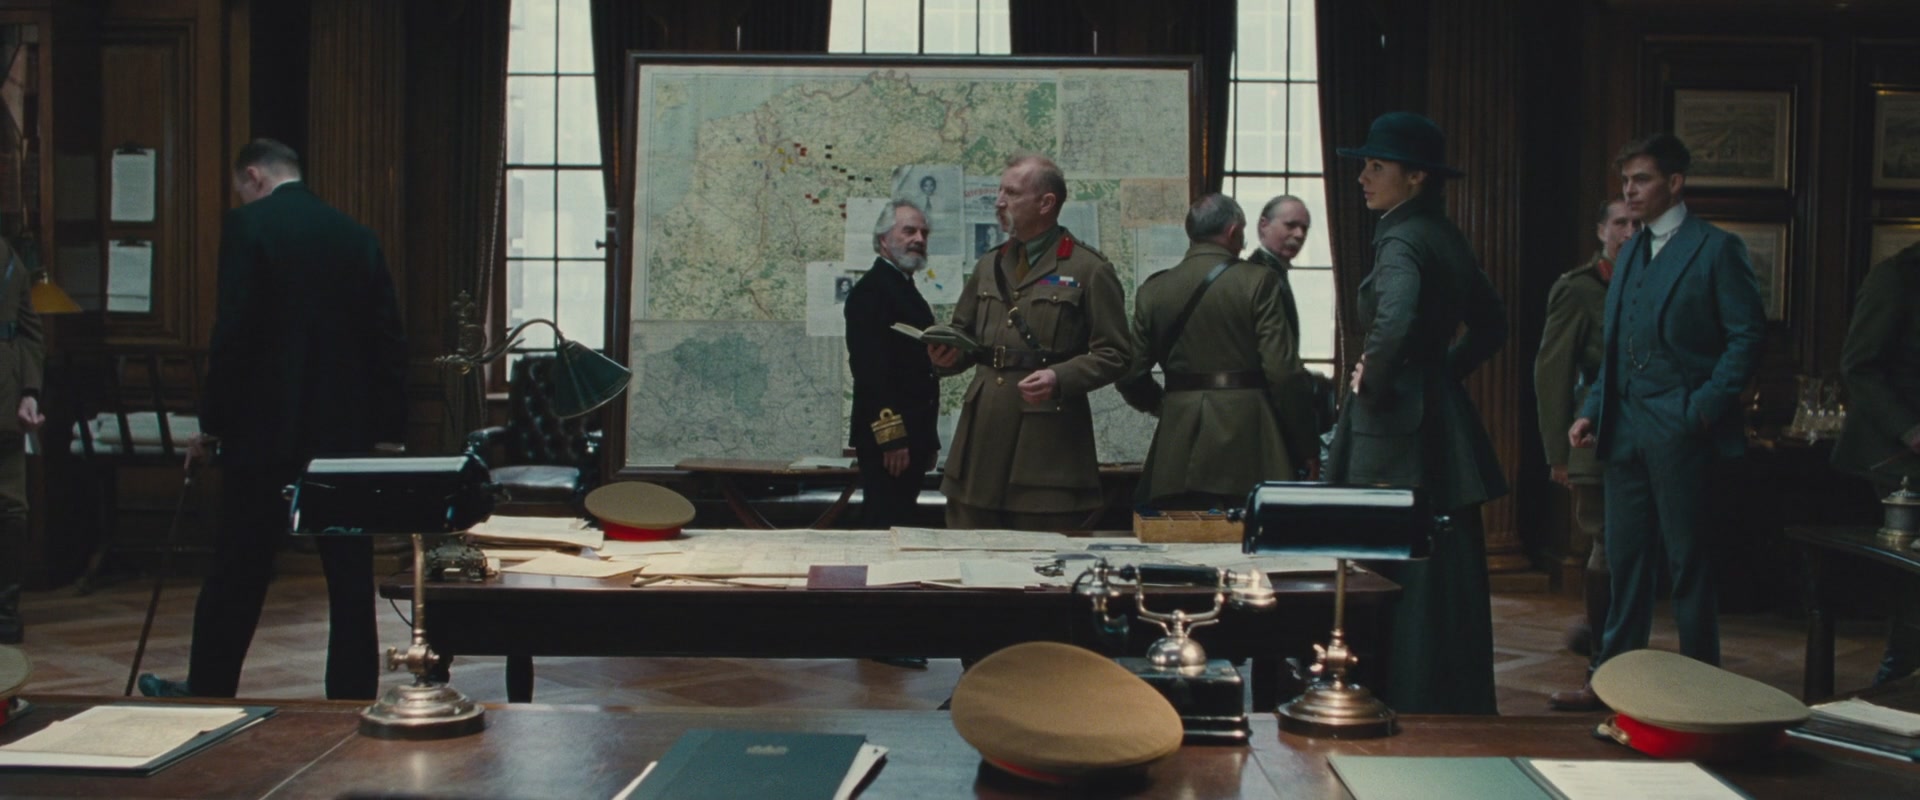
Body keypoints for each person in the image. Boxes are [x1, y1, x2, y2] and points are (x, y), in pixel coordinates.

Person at [139, 139, 407, 700]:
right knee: (349, 577)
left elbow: (233, 335)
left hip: (263, 434)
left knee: (239, 570)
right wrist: (386, 433)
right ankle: (352, 697)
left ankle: (211, 689)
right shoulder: (357, 237)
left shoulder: (249, 227)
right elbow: (386, 340)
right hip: (343, 438)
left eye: (242, 187)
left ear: (254, 176)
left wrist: (212, 425)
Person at [1555, 133, 1766, 711]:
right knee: (1626, 563)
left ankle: (1702, 693)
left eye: (1642, 179)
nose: (1630, 191)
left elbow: (1747, 338)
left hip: (1682, 428)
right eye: (1625, 182)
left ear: (1675, 183)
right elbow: (1617, 345)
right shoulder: (1630, 251)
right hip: (1624, 428)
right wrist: (1592, 409)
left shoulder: (1716, 249)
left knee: (1688, 563)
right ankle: (1612, 684)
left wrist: (1700, 409)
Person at [1326, 111, 1508, 715]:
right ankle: (1442, 695)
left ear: (1416, 177)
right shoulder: (1441, 232)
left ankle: (1390, 691)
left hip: (1393, 427)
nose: (1363, 178)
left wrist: (1377, 382)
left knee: (1386, 558)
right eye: (1365, 166)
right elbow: (1492, 325)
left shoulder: (1401, 236)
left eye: (1377, 166)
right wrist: (1439, 374)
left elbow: (1396, 316)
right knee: (1436, 564)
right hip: (1434, 416)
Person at [929, 153, 1129, 530]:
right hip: (982, 439)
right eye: (1000, 191)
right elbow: (965, 336)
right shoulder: (990, 264)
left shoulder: (1088, 269)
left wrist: (1059, 377)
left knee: (1042, 551)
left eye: (1011, 193)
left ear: (1046, 203)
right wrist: (947, 356)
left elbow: (1115, 353)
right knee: (967, 546)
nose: (999, 201)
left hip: (1046, 443)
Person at [1116, 193, 1315, 509]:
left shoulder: (1153, 290)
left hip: (1176, 446)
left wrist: (1165, 406)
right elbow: (1284, 373)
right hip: (1250, 443)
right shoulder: (1259, 281)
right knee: (1245, 536)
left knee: (1180, 535)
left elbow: (1130, 375)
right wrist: (1306, 444)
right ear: (1234, 231)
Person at [1536, 197, 1638, 687]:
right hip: (1596, 433)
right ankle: (1603, 649)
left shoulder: (1652, 280)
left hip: (1648, 435)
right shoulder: (1579, 289)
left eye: (1637, 223)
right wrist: (1559, 454)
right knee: (1604, 538)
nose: (1629, 231)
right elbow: (1553, 371)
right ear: (1601, 230)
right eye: (1619, 223)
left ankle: (1619, 642)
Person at [1831, 240, 1920, 685]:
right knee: (1914, 585)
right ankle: (1893, 685)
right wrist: (1909, 429)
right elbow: (1859, 367)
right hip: (1897, 455)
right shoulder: (1895, 278)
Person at [845, 199, 939, 528]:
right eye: (909, 231)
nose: (919, 239)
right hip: (889, 442)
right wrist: (893, 439)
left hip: (912, 437)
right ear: (883, 239)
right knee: (885, 525)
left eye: (924, 233)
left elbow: (921, 371)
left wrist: (928, 439)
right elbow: (871, 374)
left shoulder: (902, 288)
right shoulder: (871, 292)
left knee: (901, 521)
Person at [1248, 194, 1333, 462]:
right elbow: (1280, 368)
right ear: (1263, 226)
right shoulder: (1261, 278)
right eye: (1291, 225)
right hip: (1263, 410)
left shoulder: (1270, 273)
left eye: (1304, 228)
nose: (1299, 234)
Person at [0, 234, 44, 645]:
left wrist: (30, 392)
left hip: (5, 401)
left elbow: (30, 331)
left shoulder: (8, 256)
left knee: (12, 509)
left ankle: (5, 611)